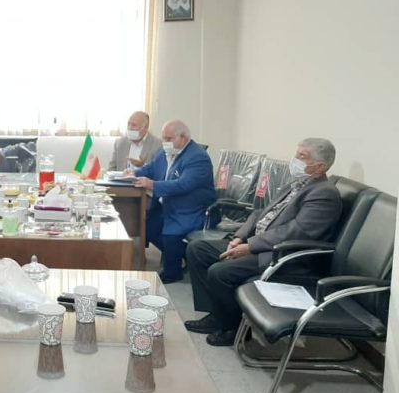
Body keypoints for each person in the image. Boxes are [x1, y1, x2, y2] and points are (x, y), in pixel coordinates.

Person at [184, 138, 342, 347]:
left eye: (302, 156)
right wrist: (240, 237)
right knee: (198, 249)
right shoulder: (296, 183)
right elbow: (260, 213)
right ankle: (217, 315)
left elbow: (296, 233)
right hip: (259, 244)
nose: (295, 160)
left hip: (283, 256)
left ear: (320, 167)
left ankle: (232, 328)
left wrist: (251, 246)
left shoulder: (324, 194)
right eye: (297, 154)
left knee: (220, 272)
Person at [128, 120, 215, 284]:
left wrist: (152, 185)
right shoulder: (166, 151)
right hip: (169, 204)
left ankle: (173, 272)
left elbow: (184, 184)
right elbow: (151, 168)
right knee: (147, 227)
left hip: (191, 208)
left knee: (170, 234)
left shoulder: (198, 157)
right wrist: (133, 173)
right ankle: (184, 254)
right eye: (164, 138)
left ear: (184, 138)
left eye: (169, 139)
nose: (165, 142)